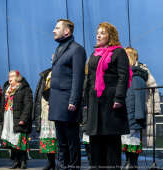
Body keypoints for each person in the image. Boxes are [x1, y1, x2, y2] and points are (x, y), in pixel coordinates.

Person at [85, 22, 132, 170]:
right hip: (95, 100)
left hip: (111, 100)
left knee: (111, 138)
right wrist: (85, 100)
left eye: (103, 33)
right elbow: (89, 78)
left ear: (110, 36)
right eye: (98, 32)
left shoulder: (119, 52)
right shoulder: (94, 54)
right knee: (95, 137)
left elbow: (123, 77)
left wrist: (119, 98)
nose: (98, 35)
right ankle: (96, 167)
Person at [49, 19, 86, 170]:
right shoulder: (59, 48)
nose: (53, 30)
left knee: (71, 139)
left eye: (57, 28)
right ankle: (62, 165)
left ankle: (73, 166)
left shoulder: (77, 49)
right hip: (57, 100)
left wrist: (74, 100)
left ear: (67, 31)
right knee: (61, 139)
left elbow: (78, 77)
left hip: (68, 100)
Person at [0, 70, 33, 169]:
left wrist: (23, 119)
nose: (10, 78)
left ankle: (23, 161)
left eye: (12, 76)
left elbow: (28, 105)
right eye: (9, 76)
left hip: (18, 118)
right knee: (11, 141)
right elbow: (2, 105)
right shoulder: (6, 89)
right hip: (8, 118)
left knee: (20, 141)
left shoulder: (24, 89)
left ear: (18, 78)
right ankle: (16, 161)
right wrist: (0, 117)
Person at [126, 47, 162, 147]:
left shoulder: (143, 70)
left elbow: (154, 87)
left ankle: (134, 160)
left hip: (143, 106)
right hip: (130, 107)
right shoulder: (123, 70)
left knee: (138, 136)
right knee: (130, 137)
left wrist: (156, 109)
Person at [121, 47, 147, 170]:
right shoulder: (128, 76)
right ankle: (129, 162)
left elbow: (139, 99)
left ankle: (132, 163)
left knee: (132, 142)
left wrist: (139, 116)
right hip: (126, 114)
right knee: (127, 141)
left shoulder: (136, 77)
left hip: (132, 116)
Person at [34, 68, 57, 170]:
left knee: (59, 138)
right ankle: (50, 162)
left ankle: (62, 162)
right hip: (45, 113)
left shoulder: (62, 73)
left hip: (57, 112)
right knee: (47, 138)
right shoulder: (44, 76)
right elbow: (38, 95)